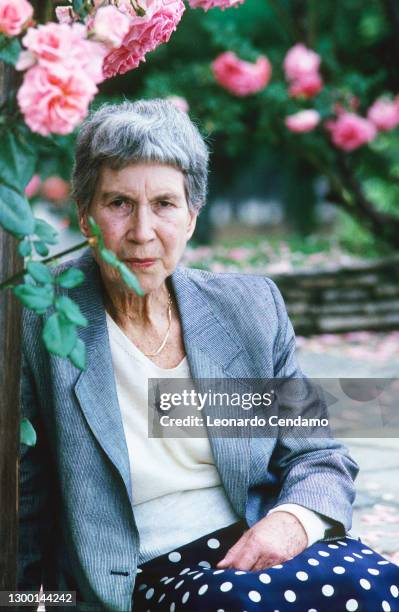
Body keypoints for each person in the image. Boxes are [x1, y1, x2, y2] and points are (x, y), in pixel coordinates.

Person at [18, 100, 399, 612]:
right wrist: (27, 601)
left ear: (193, 216)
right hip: (147, 575)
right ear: (85, 216)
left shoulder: (247, 310)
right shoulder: (43, 323)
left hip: (263, 544)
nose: (142, 231)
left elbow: (316, 454)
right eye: (119, 203)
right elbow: (23, 499)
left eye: (165, 205)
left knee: (380, 585)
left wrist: (291, 523)